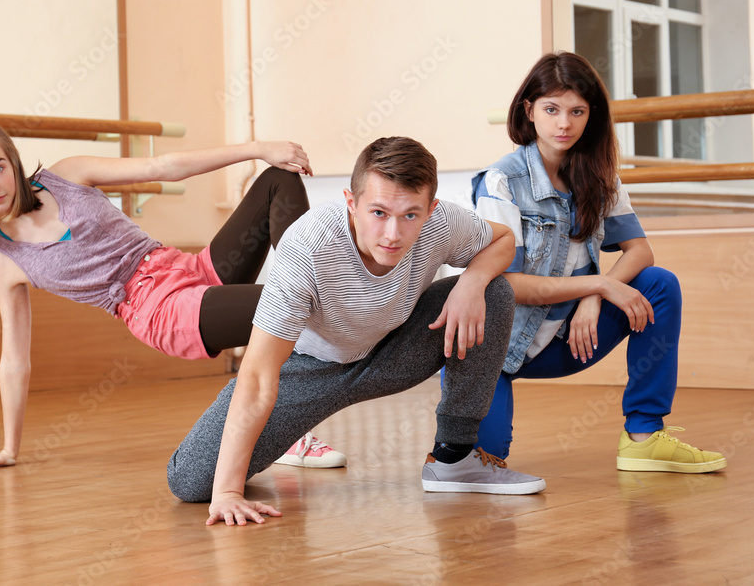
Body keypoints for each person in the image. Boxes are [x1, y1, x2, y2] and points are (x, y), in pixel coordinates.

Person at [167, 136, 547, 528]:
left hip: (393, 351)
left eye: (410, 215)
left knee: (494, 292)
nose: (393, 234)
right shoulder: (308, 246)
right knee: (190, 482)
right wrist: (228, 493)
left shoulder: (442, 223)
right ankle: (286, 438)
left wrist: (472, 281)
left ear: (431, 210)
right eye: (378, 213)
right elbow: (259, 374)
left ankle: (454, 457)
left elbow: (502, 239)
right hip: (309, 368)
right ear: (351, 202)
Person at [0, 120, 343, 470]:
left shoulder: (65, 175)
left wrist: (257, 148)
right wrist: (8, 449)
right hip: (159, 309)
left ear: (13, 162)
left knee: (277, 180)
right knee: (286, 304)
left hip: (188, 268)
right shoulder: (6, 264)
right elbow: (14, 361)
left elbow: (160, 167)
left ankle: (325, 290)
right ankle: (286, 430)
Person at [463, 52, 726, 477]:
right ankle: (464, 436)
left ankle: (643, 436)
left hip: (571, 339)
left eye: (577, 111)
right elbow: (508, 283)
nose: (563, 124)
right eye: (551, 109)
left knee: (659, 283)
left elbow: (640, 252)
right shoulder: (500, 182)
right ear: (529, 111)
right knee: (484, 462)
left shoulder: (602, 179)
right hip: (498, 347)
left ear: (591, 116)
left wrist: (595, 298)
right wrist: (597, 287)